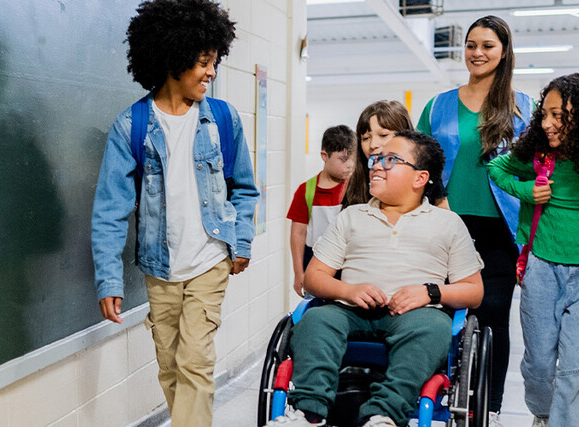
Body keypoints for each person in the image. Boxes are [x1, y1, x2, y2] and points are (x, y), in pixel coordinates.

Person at [90, 1, 258, 426]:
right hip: (160, 268)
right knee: (170, 365)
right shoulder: (131, 126)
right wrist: (108, 277)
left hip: (209, 261)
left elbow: (245, 188)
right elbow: (109, 210)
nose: (212, 72)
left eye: (214, 62)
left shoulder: (222, 119)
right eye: (204, 62)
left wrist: (240, 241)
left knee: (195, 362)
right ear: (174, 59)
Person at [266, 131, 484, 427]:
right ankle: (309, 412)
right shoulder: (351, 216)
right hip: (348, 311)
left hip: (415, 315)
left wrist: (430, 293)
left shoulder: (448, 224)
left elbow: (474, 291)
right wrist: (349, 289)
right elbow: (313, 278)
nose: (377, 165)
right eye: (376, 159)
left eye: (391, 160)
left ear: (419, 178)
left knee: (434, 328)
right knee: (315, 322)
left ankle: (383, 415)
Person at [416, 16, 531, 423]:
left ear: (503, 53)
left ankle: (492, 407)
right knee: (439, 316)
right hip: (447, 222)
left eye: (487, 45)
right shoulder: (439, 105)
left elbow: (534, 169)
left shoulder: (523, 107)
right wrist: (439, 198)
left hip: (500, 227)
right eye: (470, 45)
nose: (477, 53)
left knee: (495, 319)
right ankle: (437, 397)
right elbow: (419, 160)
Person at [488, 73, 579, 427]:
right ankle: (543, 415)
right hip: (542, 266)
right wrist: (527, 191)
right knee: (540, 362)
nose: (548, 123)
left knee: (573, 366)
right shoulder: (538, 154)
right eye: (545, 114)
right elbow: (497, 167)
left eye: (559, 116)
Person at [287, 125, 356, 297]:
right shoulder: (306, 190)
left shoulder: (355, 189)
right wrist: (298, 273)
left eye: (353, 159)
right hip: (316, 265)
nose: (350, 165)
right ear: (325, 156)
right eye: (343, 159)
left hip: (348, 267)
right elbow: (298, 234)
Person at [342, 100, 414, 209]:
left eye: (383, 135)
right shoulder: (355, 186)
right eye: (366, 138)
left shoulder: (427, 183)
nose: (373, 145)